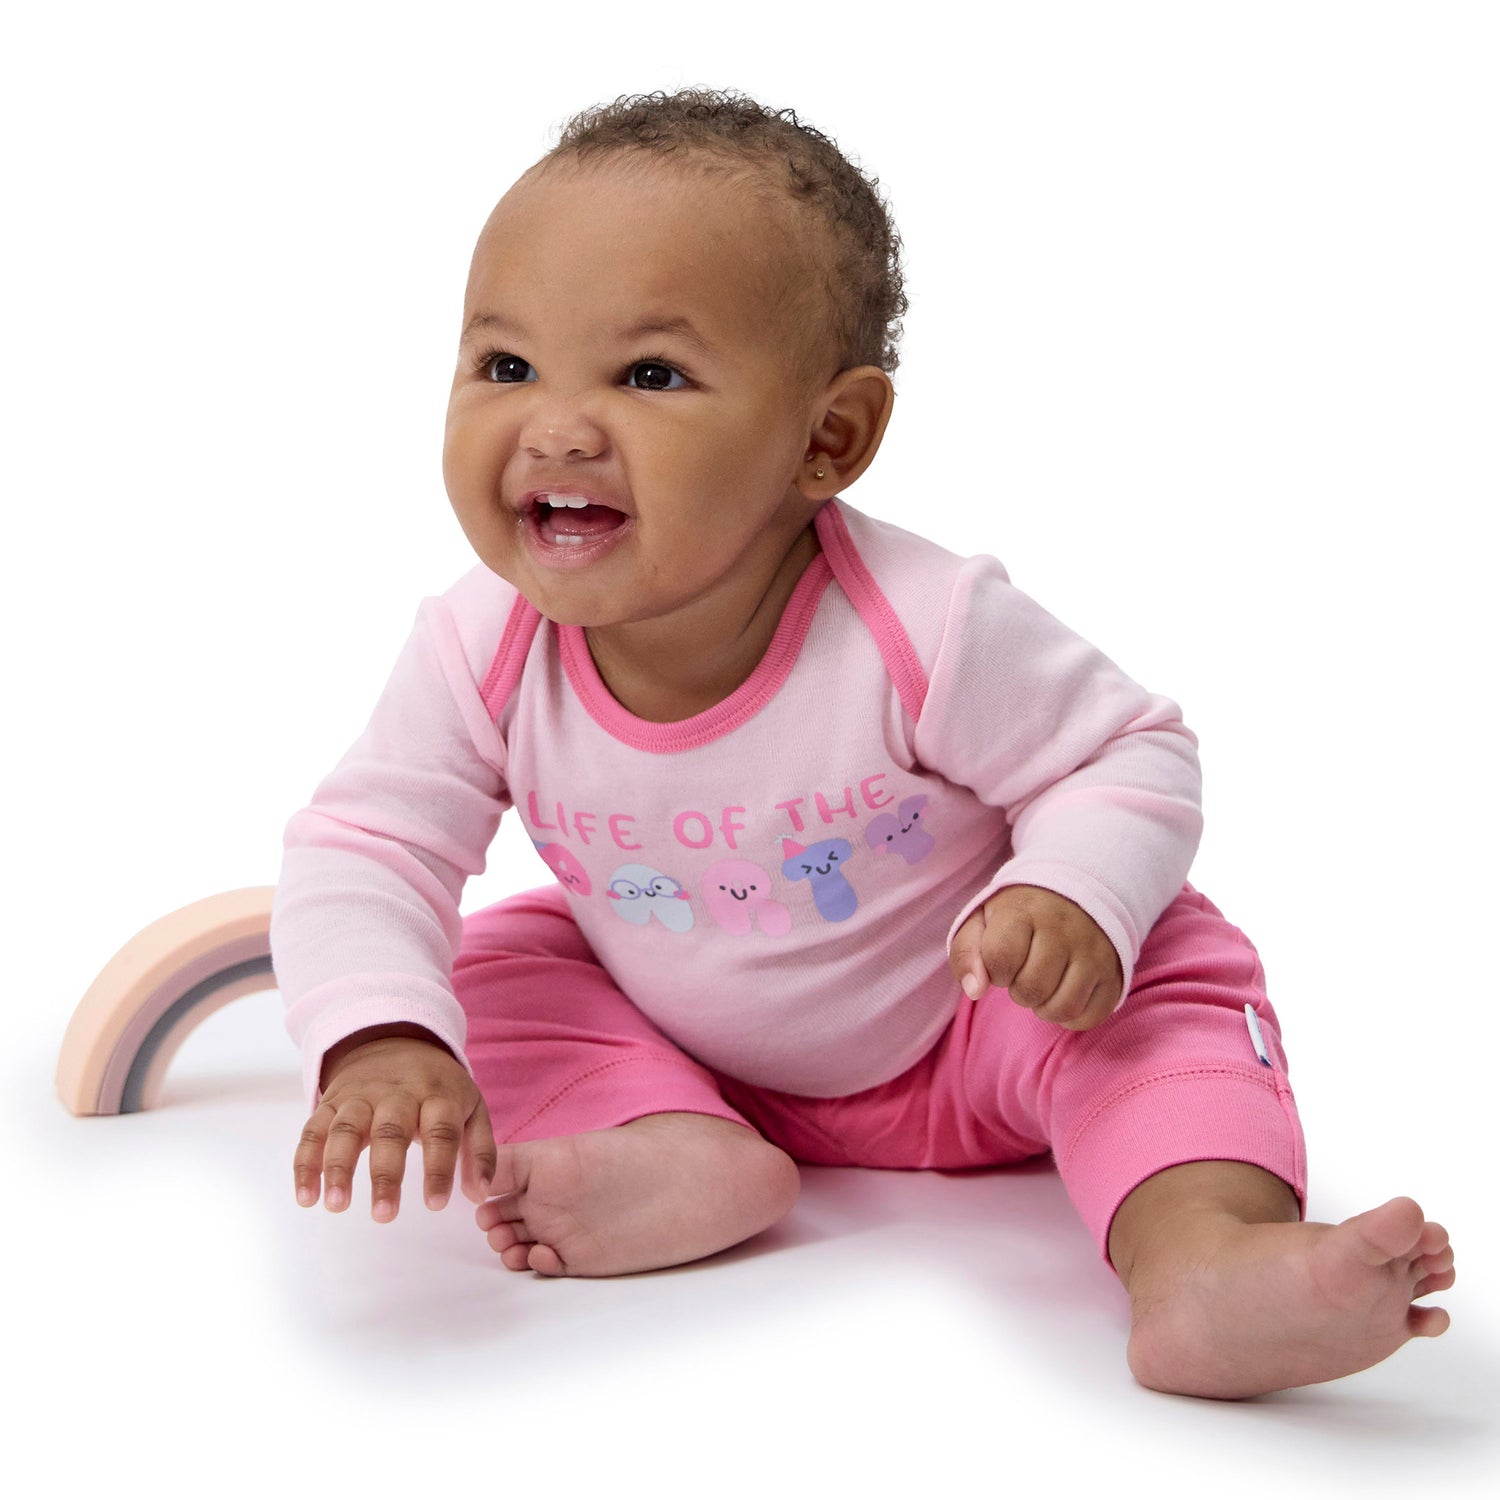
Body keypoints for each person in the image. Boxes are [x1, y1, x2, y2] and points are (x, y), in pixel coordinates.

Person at [271, 89, 1453, 1399]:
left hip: (983, 1020)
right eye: (506, 367)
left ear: (826, 438)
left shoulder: (924, 624)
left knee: (1168, 980)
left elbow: (1129, 753)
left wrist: (1069, 896)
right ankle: (673, 1145)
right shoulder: (480, 646)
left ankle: (1204, 1259)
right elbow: (369, 845)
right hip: (688, 1037)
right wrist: (383, 1041)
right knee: (491, 964)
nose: (555, 427)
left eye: (649, 375)